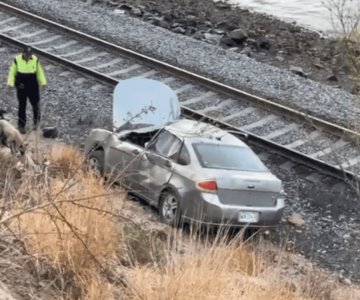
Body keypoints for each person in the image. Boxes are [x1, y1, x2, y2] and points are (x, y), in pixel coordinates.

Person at [7, 46, 47, 133]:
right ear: (23, 53)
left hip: (33, 86)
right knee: (22, 106)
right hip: (21, 87)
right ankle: (21, 126)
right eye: (26, 55)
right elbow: (12, 73)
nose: (28, 57)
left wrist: (43, 82)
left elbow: (40, 72)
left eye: (29, 55)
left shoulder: (35, 60)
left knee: (36, 105)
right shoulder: (17, 60)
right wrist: (10, 83)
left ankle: (36, 124)